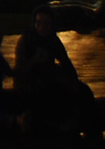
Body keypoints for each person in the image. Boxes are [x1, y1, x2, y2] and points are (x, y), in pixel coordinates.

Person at [14, 7, 100, 137]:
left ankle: (90, 128)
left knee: (83, 91)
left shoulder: (52, 40)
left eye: (46, 23)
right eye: (39, 23)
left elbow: (65, 61)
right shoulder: (27, 40)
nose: (42, 27)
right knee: (55, 94)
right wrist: (34, 62)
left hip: (48, 78)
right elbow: (20, 71)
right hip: (31, 83)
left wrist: (72, 79)